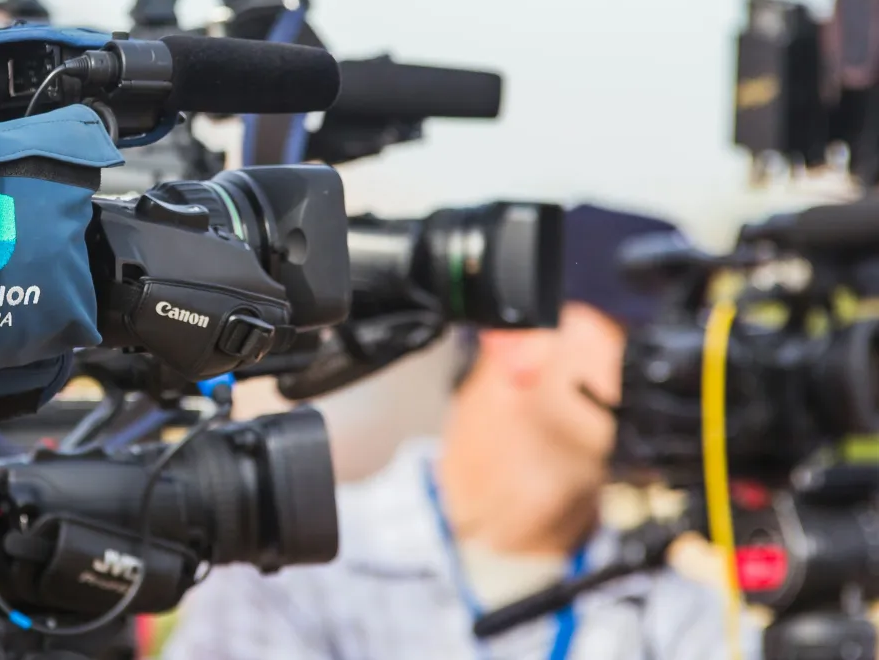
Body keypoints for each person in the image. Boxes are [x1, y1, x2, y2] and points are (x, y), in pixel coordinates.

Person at [163, 204, 761, 660]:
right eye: (644, 336)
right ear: (516, 333)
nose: (684, 373)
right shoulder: (295, 567)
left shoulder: (679, 614)